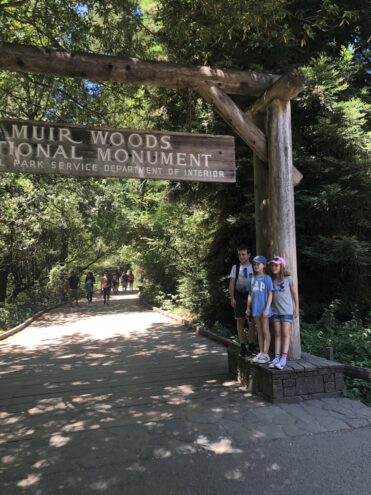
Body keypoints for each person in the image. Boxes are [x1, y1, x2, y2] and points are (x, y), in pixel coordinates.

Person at [268, 256, 299, 370]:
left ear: (281, 266)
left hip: (286, 310)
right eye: (272, 265)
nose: (273, 267)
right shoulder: (271, 279)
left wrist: (296, 308)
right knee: (277, 333)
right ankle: (276, 357)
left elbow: (295, 294)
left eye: (276, 265)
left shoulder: (288, 278)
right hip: (275, 310)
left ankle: (283, 358)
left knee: (285, 333)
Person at [229, 246, 257, 357]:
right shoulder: (235, 267)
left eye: (243, 254)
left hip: (252, 295)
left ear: (249, 255)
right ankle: (243, 346)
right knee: (240, 320)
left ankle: (251, 345)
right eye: (239, 254)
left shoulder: (254, 267)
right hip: (239, 296)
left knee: (252, 321)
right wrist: (232, 298)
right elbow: (231, 283)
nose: (241, 256)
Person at [246, 256, 273, 364]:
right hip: (256, 309)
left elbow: (271, 294)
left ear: (264, 265)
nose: (256, 266)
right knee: (259, 331)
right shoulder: (253, 278)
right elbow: (250, 294)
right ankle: (261, 352)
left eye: (259, 264)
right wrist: (248, 307)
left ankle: (266, 354)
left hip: (265, 309)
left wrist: (267, 309)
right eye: (255, 264)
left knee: (265, 330)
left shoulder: (267, 278)